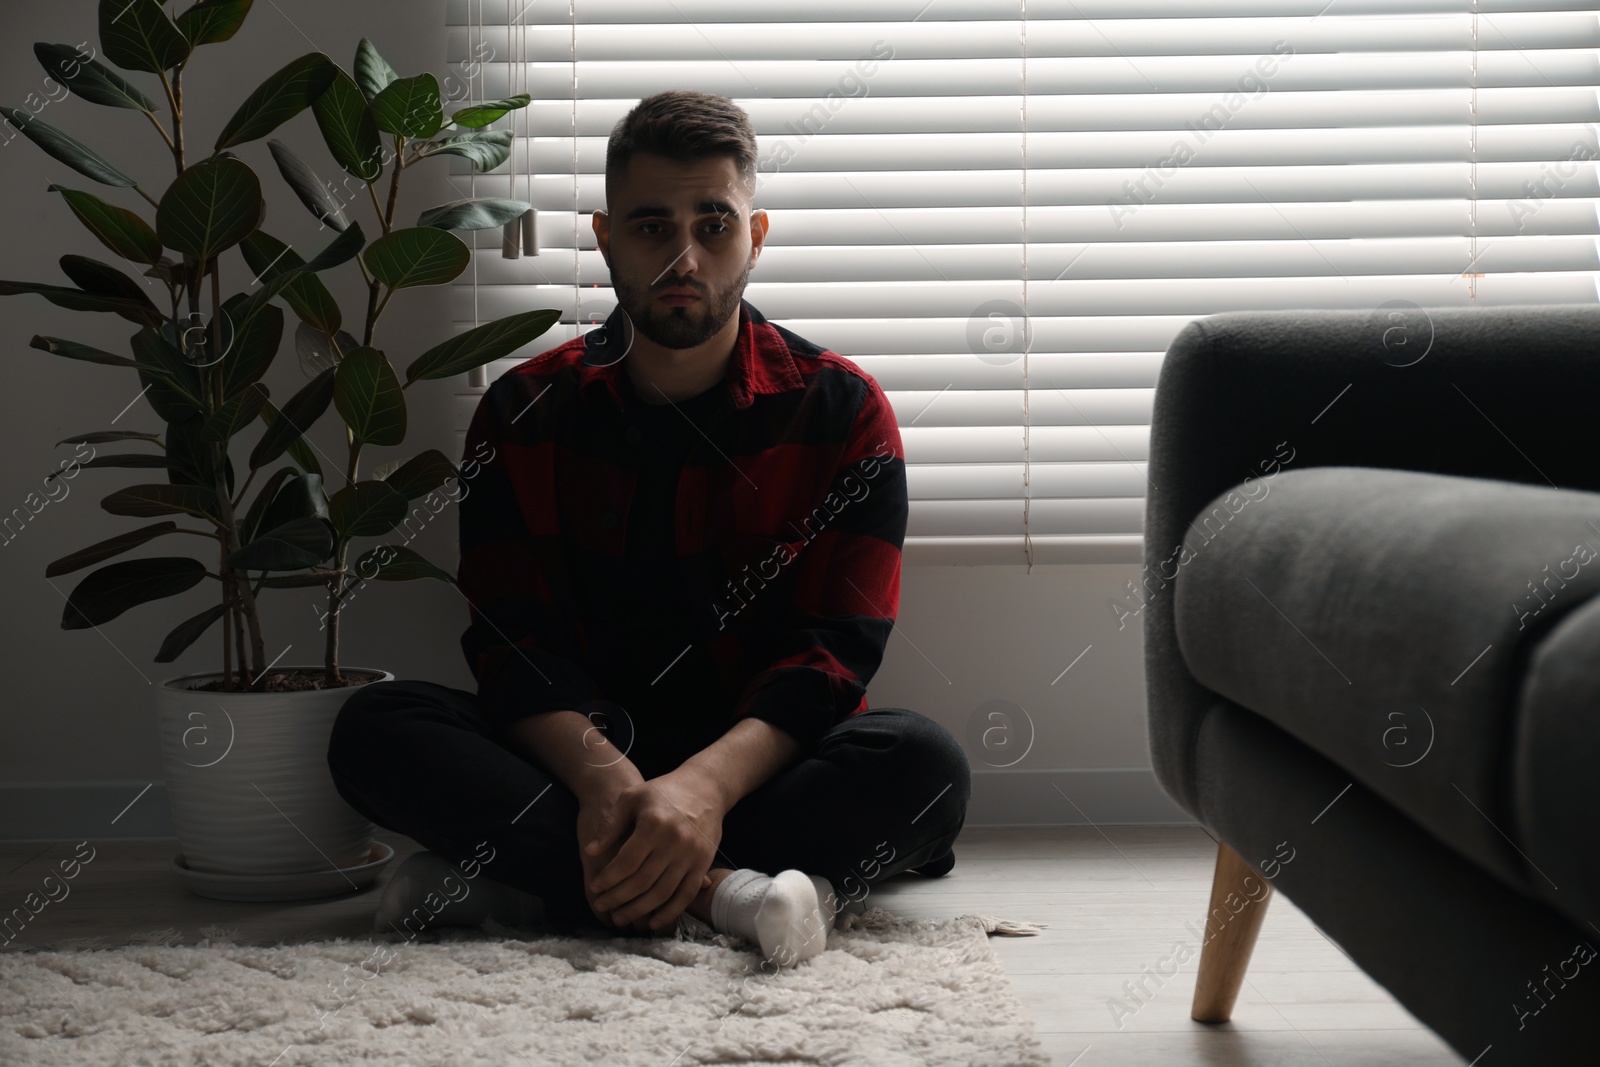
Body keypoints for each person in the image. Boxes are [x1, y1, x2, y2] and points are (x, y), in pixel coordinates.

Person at [327, 89, 971, 967]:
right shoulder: (526, 409)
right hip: (574, 764)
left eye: (714, 224)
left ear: (757, 235)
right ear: (603, 237)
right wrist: (607, 782)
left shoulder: (843, 410)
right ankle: (736, 895)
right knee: (375, 728)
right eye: (650, 226)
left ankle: (519, 888)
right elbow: (514, 643)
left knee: (922, 766)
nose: (684, 256)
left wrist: (702, 791)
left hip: (758, 770)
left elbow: (831, 655)